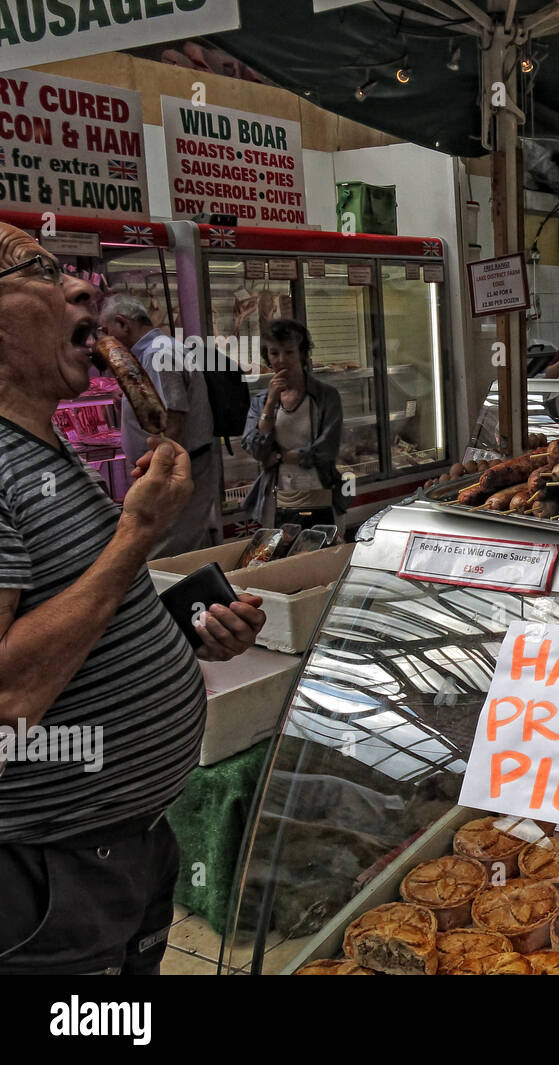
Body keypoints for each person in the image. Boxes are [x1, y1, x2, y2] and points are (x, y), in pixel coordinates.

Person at [0, 221, 266, 975]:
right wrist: (136, 534)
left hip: (134, 839)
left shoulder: (43, 450)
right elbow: (8, 693)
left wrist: (186, 626)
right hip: (51, 873)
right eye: (41, 273)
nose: (83, 286)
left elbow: (75, 618)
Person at [98, 294, 220, 558]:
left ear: (123, 324)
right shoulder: (154, 352)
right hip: (173, 464)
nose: (102, 340)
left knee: (171, 545)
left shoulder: (158, 353)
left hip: (175, 466)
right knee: (176, 539)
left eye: (106, 331)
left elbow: (172, 419)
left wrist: (157, 469)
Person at [241, 319, 348, 529]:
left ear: (302, 353)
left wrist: (280, 456)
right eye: (274, 353)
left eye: (289, 352)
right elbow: (255, 448)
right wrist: (271, 403)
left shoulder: (325, 396)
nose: (281, 360)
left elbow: (327, 449)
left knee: (320, 552)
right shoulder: (262, 400)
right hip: (277, 494)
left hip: (318, 490)